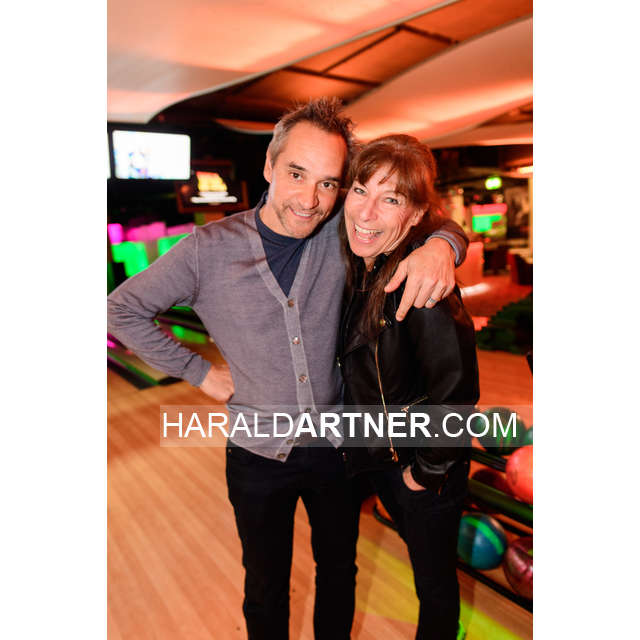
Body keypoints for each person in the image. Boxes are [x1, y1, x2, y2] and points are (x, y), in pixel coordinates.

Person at [107, 98, 469, 640]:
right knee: (265, 585)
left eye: (328, 183)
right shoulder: (207, 249)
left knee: (338, 572)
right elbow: (120, 309)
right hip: (257, 456)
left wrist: (443, 245)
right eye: (297, 174)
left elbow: (426, 217)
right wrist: (199, 373)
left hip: (336, 450)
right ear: (269, 166)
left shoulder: (340, 229)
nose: (310, 199)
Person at [338, 134, 480, 640]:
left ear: (417, 213)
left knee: (434, 587)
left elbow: (457, 393)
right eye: (360, 190)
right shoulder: (360, 264)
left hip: (422, 466)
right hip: (385, 459)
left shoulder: (423, 286)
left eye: (391, 199)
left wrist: (426, 472)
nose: (366, 211)